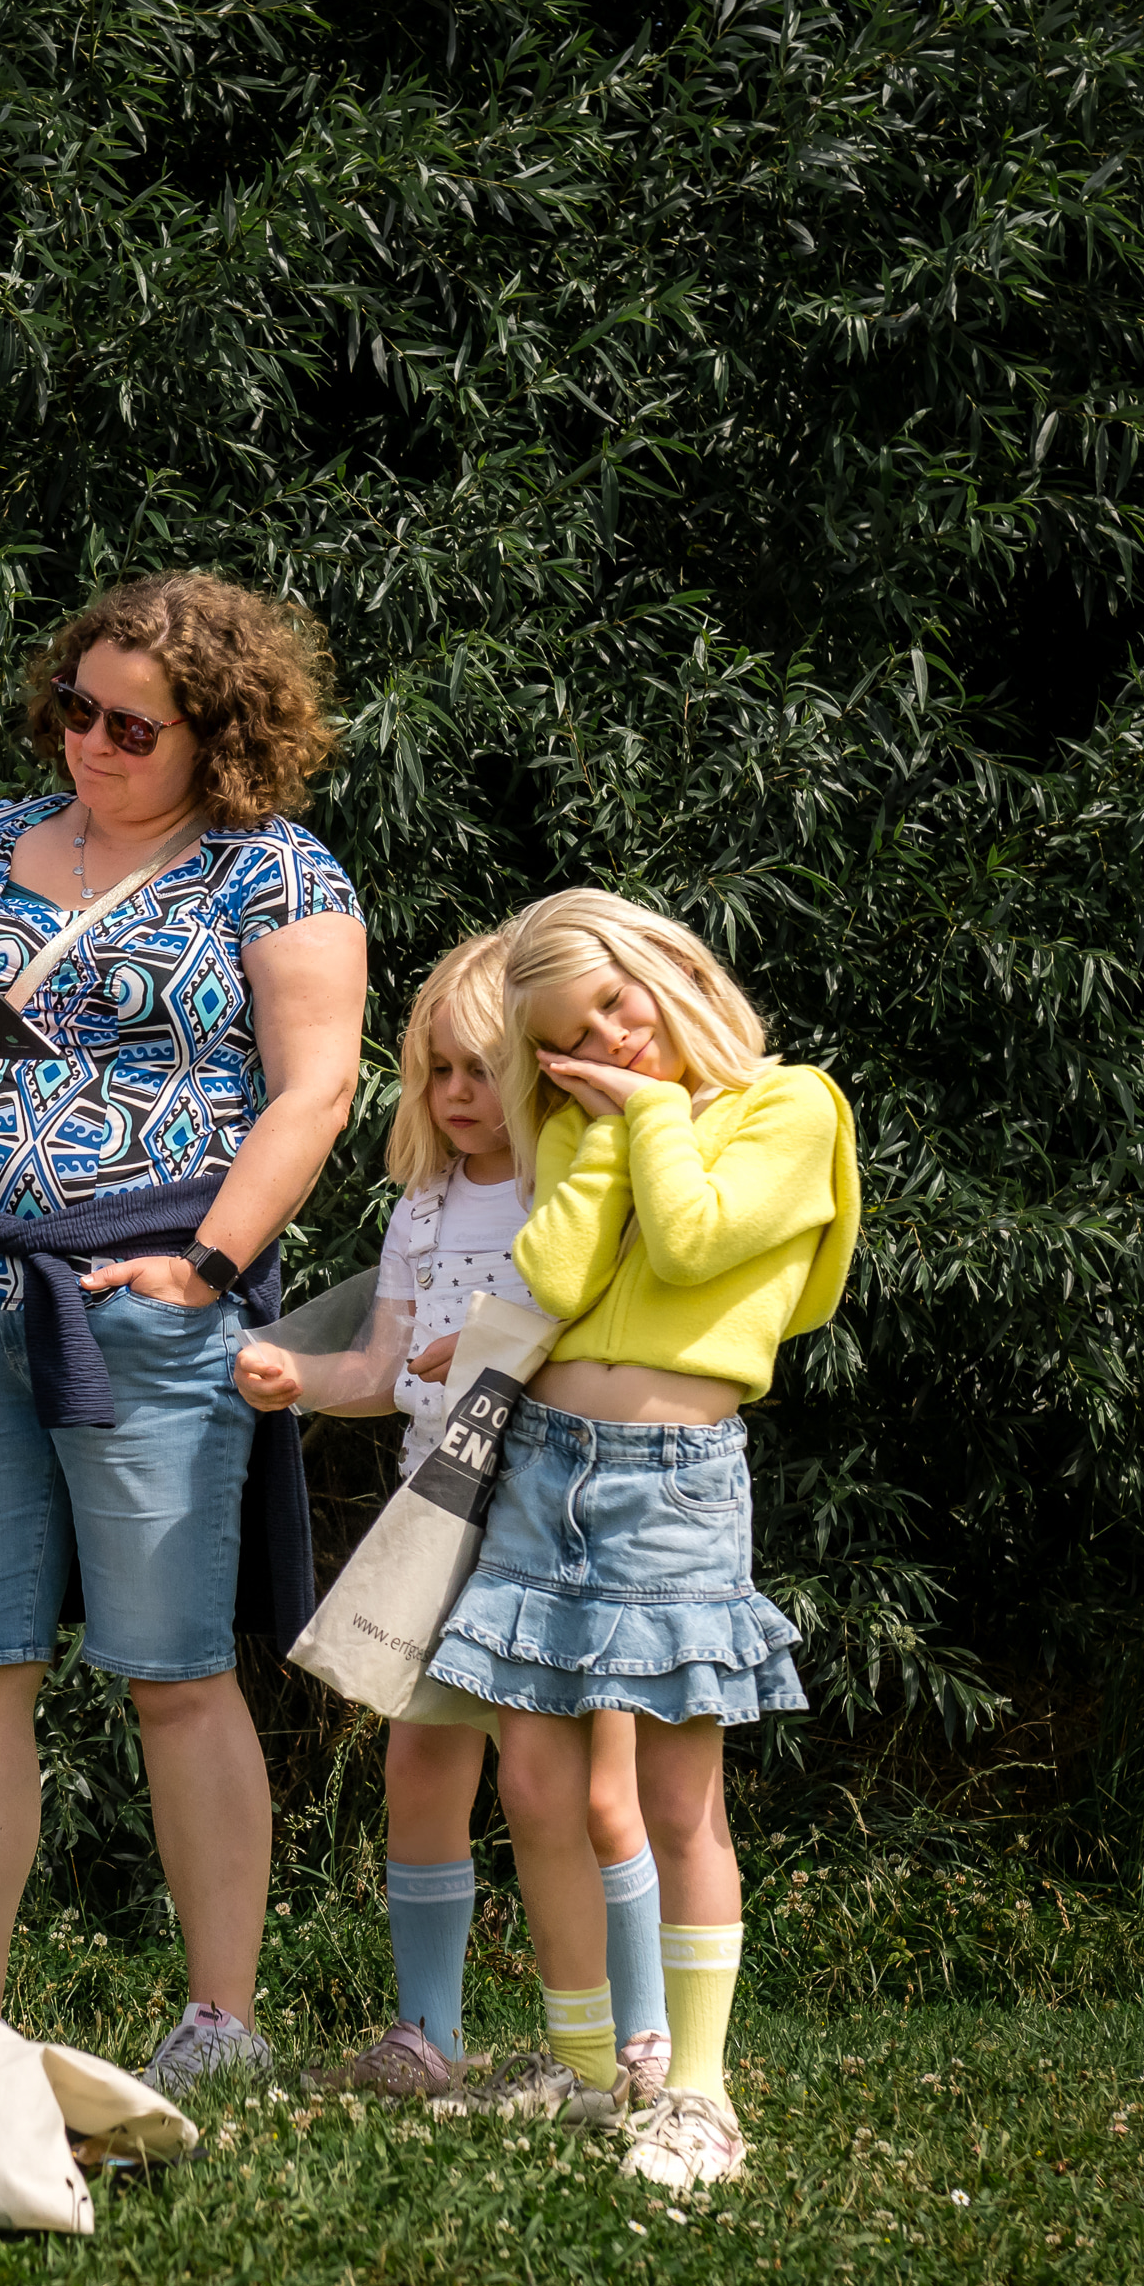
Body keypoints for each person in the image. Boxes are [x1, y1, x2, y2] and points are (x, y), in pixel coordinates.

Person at [0, 569, 367, 2097]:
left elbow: (318, 1089)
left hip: (148, 1303)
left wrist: (204, 1265)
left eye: (135, 725)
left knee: (173, 1669)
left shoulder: (279, 874)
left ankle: (222, 2025)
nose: (95, 744)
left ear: (218, 734)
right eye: (78, 709)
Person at [430, 887, 859, 2188]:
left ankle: (700, 2100)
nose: (617, 1036)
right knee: (537, 1788)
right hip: (544, 1467)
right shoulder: (581, 1127)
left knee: (678, 1800)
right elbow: (555, 1282)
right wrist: (604, 1133)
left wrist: (651, 1111)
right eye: (578, 1033)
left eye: (621, 1001)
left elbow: (692, 1248)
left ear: (670, 967)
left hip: (673, 1483)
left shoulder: (790, 1106)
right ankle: (580, 2069)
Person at [233, 925, 668, 2103]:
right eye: (438, 1069)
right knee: (422, 1766)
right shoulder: (420, 1208)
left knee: (588, 1784)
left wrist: (484, 1345)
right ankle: (427, 2033)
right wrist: (299, 1380)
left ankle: (640, 2040)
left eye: (484, 1068)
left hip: (565, 1514)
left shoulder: (573, 1189)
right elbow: (383, 1366)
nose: (460, 1094)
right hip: (441, 1520)